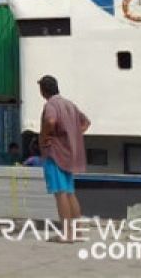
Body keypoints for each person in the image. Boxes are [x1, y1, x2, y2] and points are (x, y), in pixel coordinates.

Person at [38, 75, 91, 241]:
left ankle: (67, 234)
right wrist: (72, 135)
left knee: (60, 193)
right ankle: (78, 232)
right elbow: (86, 123)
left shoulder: (51, 105)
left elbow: (51, 120)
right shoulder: (70, 104)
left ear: (43, 91)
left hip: (55, 153)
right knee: (70, 192)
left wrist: (45, 137)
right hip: (70, 154)